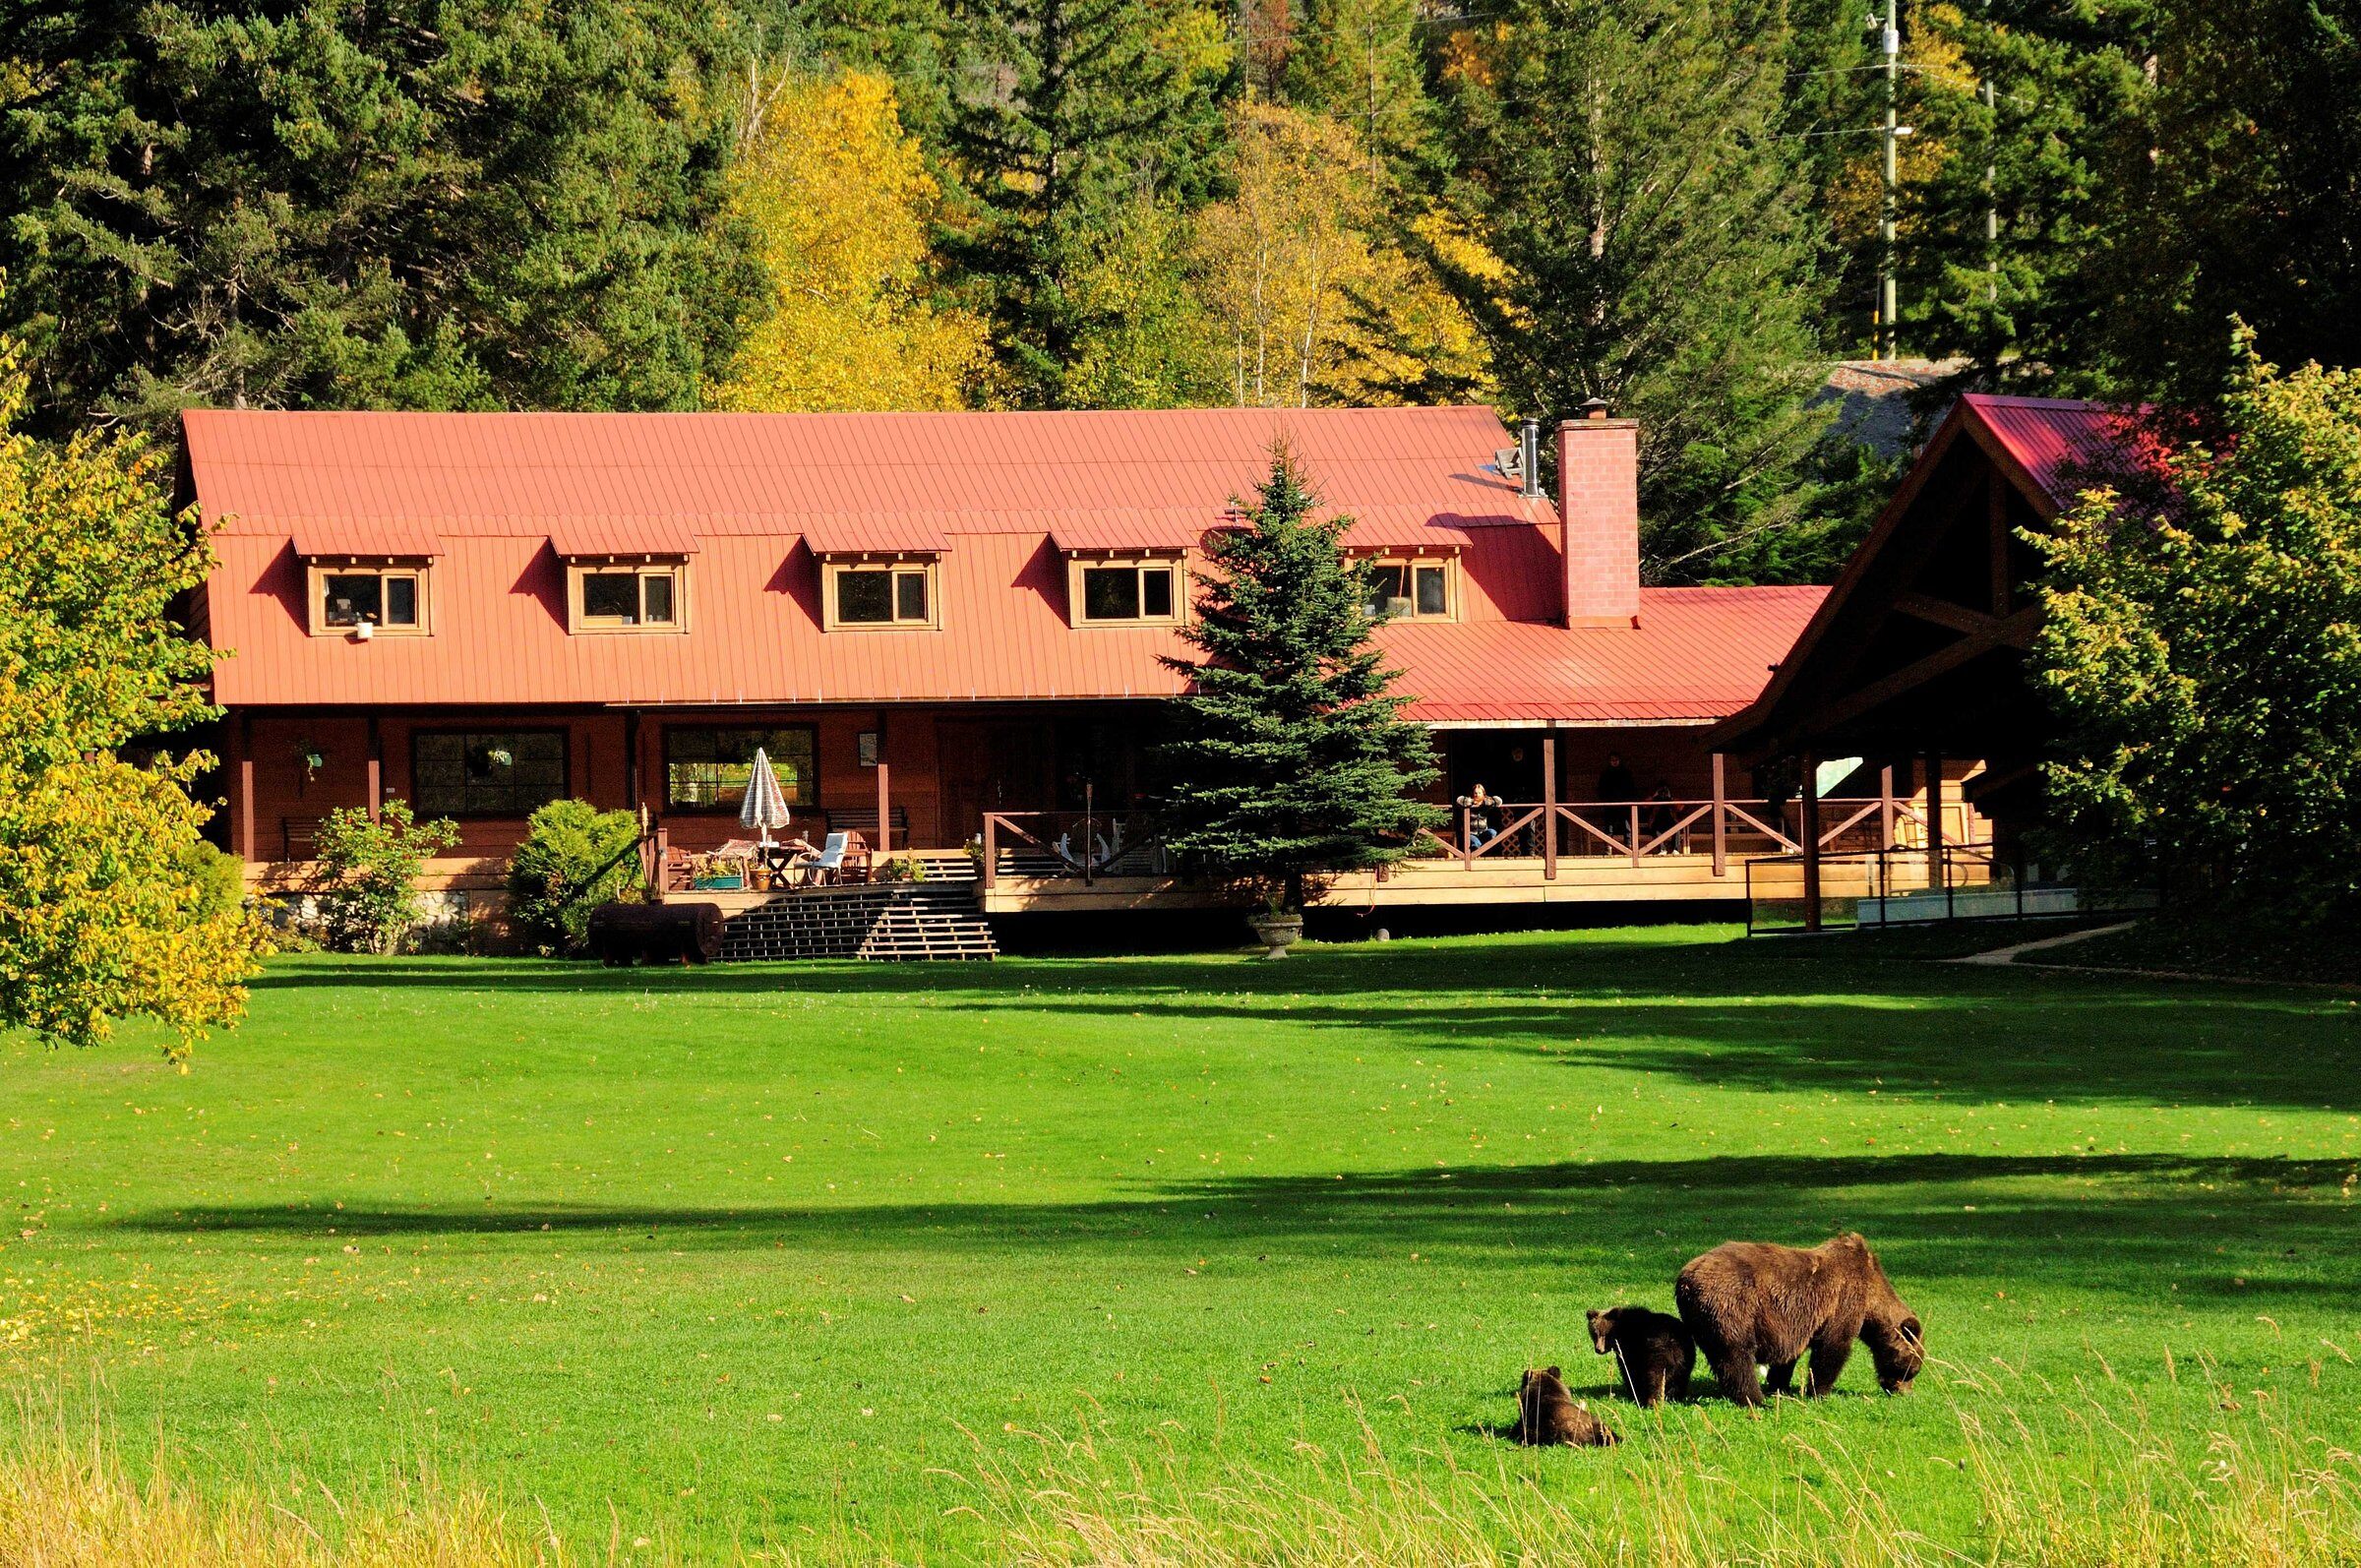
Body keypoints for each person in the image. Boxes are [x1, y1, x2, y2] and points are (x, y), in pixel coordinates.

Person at [1593, 754, 1638, 854]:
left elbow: (1631, 788)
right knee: (1609, 826)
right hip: (1610, 804)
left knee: (1626, 826)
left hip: (1623, 804)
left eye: (1616, 759)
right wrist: (1605, 800)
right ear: (1609, 761)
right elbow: (1601, 789)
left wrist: (1627, 800)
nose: (1614, 762)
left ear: (1619, 760)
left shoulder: (1625, 773)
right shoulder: (1605, 774)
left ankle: (1629, 846)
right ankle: (1608, 847)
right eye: (1612, 760)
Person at [1456, 782, 1501, 850]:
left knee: (1492, 832)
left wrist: (1484, 802)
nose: (1477, 795)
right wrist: (1472, 802)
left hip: (1483, 832)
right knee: (1476, 844)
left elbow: (1499, 801)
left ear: (1483, 793)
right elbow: (1459, 800)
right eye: (1475, 793)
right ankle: (1473, 856)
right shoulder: (1468, 801)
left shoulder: (1487, 801)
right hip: (1470, 833)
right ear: (1472, 793)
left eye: (1479, 793)